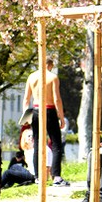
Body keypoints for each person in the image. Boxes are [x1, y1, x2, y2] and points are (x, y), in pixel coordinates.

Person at [23, 58, 69, 186]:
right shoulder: (53, 77)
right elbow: (57, 99)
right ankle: (56, 176)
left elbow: (26, 99)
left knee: (37, 143)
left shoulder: (31, 77)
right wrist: (61, 117)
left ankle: (38, 176)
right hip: (49, 110)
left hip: (36, 110)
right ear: (50, 65)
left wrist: (26, 116)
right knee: (56, 144)